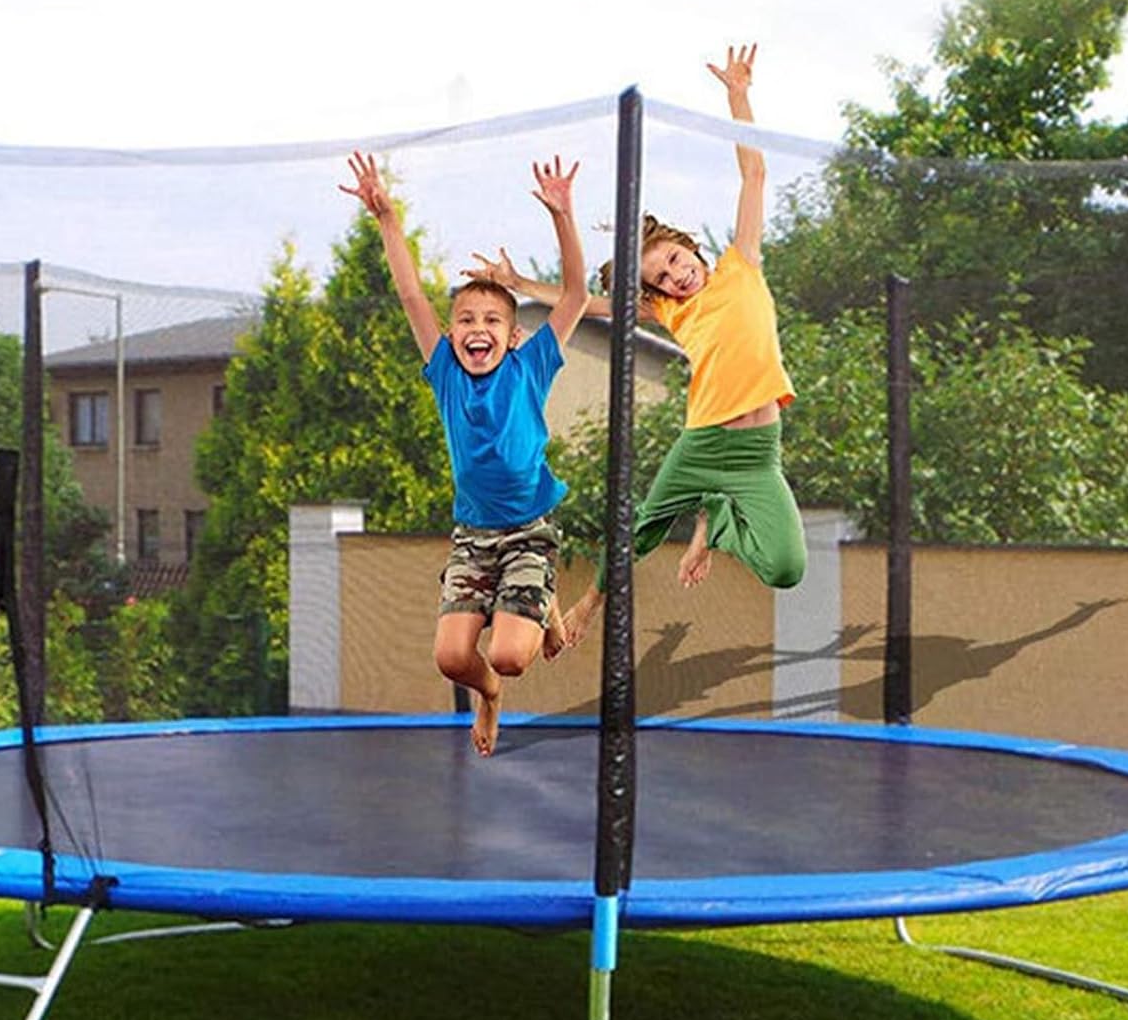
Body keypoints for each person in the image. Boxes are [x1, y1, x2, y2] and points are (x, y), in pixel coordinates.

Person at [468, 44, 806, 647]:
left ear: (690, 247)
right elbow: (586, 303)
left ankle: (718, 522)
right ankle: (587, 606)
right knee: (643, 527)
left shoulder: (742, 264)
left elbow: (754, 174)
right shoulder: (671, 310)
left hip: (759, 453)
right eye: (662, 278)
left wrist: (737, 95)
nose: (676, 276)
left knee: (786, 568)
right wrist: (519, 284)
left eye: (675, 261)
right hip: (705, 442)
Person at [340, 150, 589, 756]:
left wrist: (562, 214)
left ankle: (539, 595)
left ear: (513, 336)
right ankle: (490, 695)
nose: (478, 328)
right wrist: (387, 219)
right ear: (452, 335)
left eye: (492, 321)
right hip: (473, 537)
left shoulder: (530, 368)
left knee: (510, 656)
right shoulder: (446, 372)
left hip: (528, 530)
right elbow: (410, 296)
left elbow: (578, 294)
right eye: (466, 320)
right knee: (455, 659)